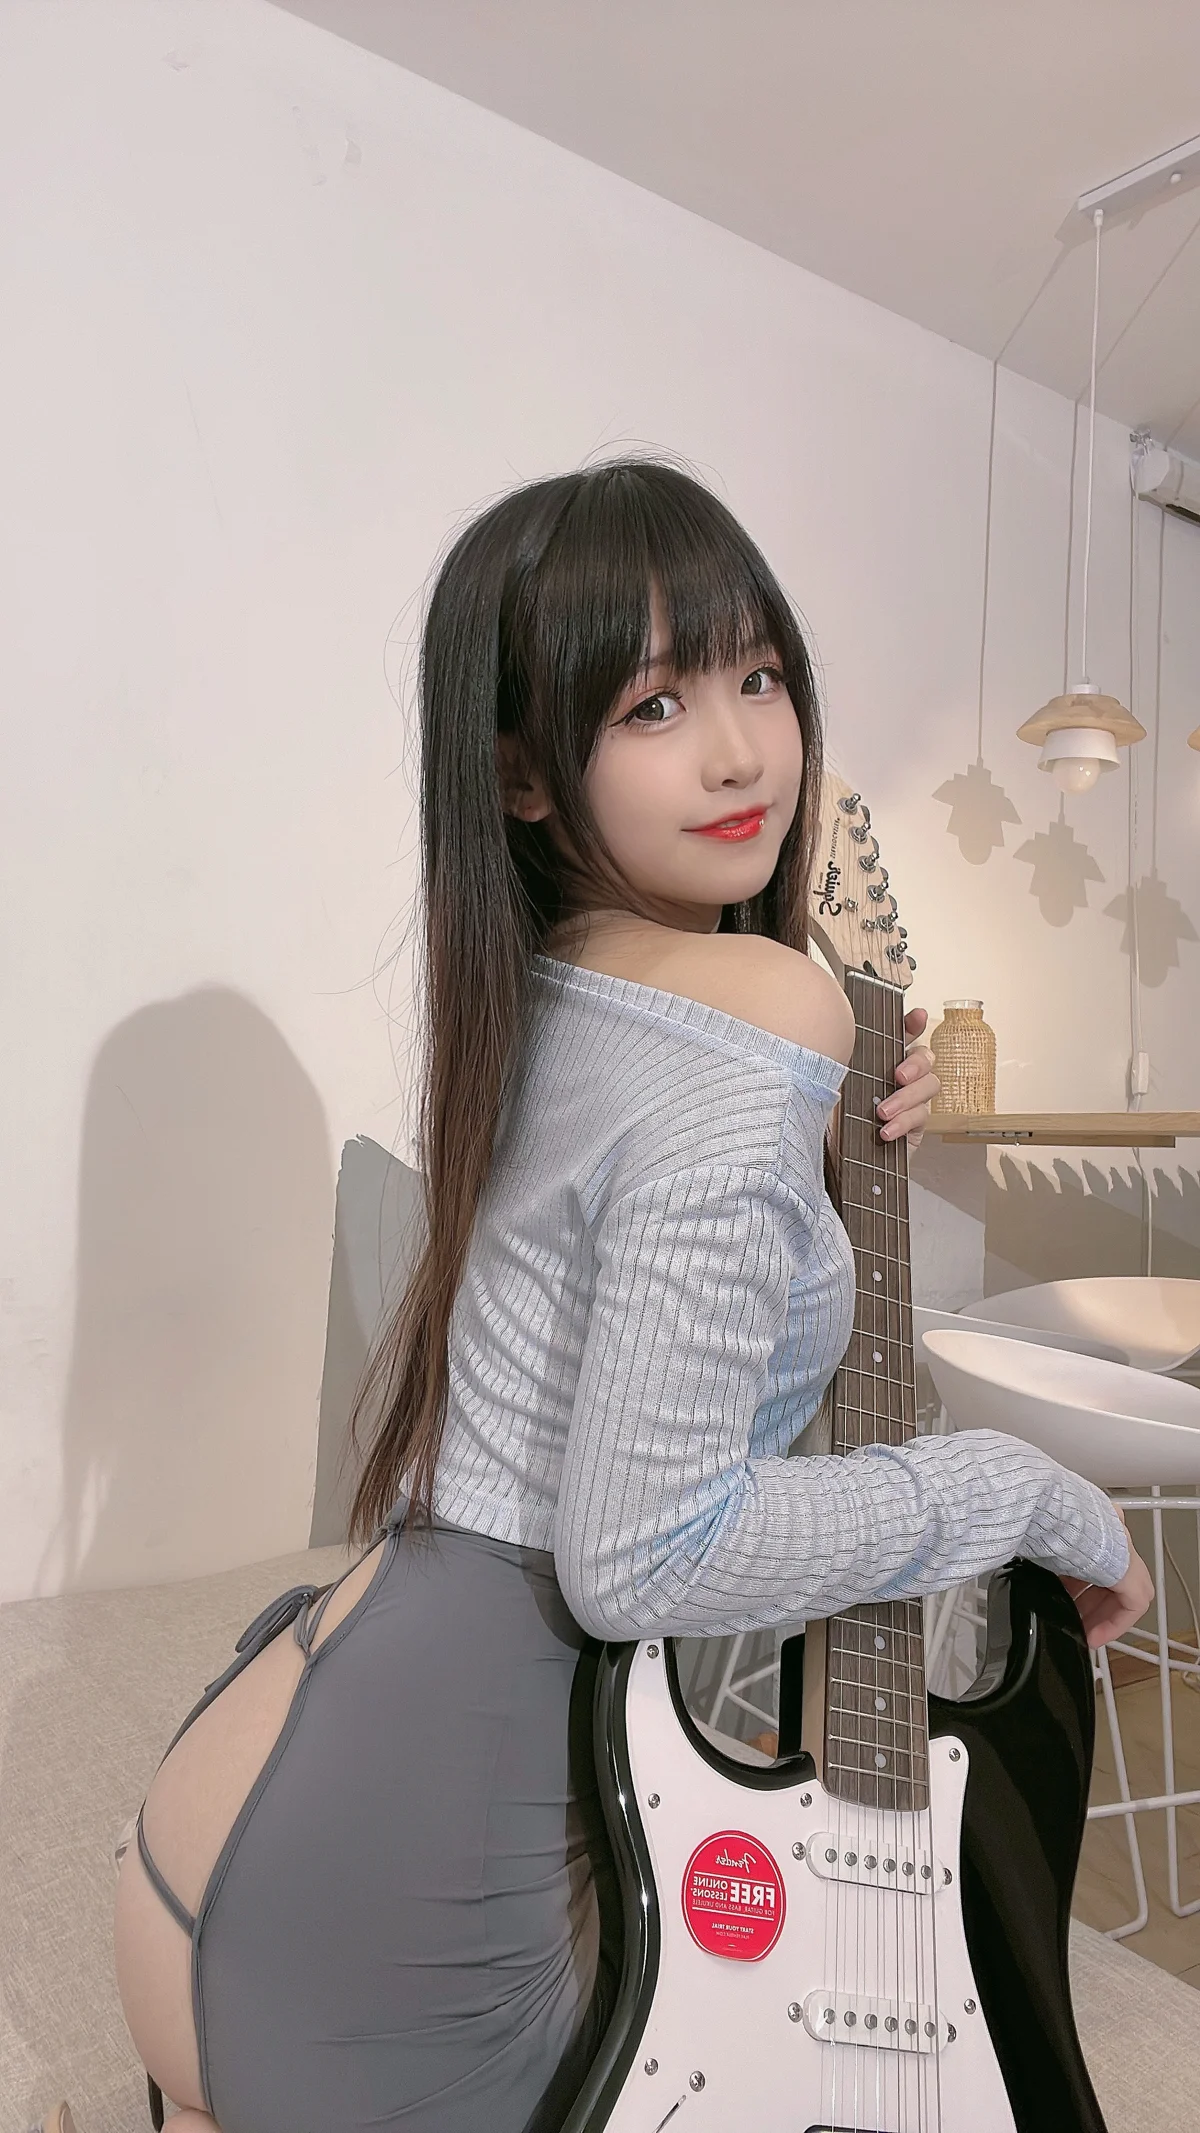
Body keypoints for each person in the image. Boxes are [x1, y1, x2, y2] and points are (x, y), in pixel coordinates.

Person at [40, 458, 1151, 2133]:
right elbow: (648, 1557)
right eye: (654, 705)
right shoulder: (764, 1003)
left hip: (238, 1815)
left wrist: (822, 1130)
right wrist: (1018, 1490)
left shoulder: (544, 985)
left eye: (759, 676)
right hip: (409, 1929)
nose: (741, 752)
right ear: (523, 773)